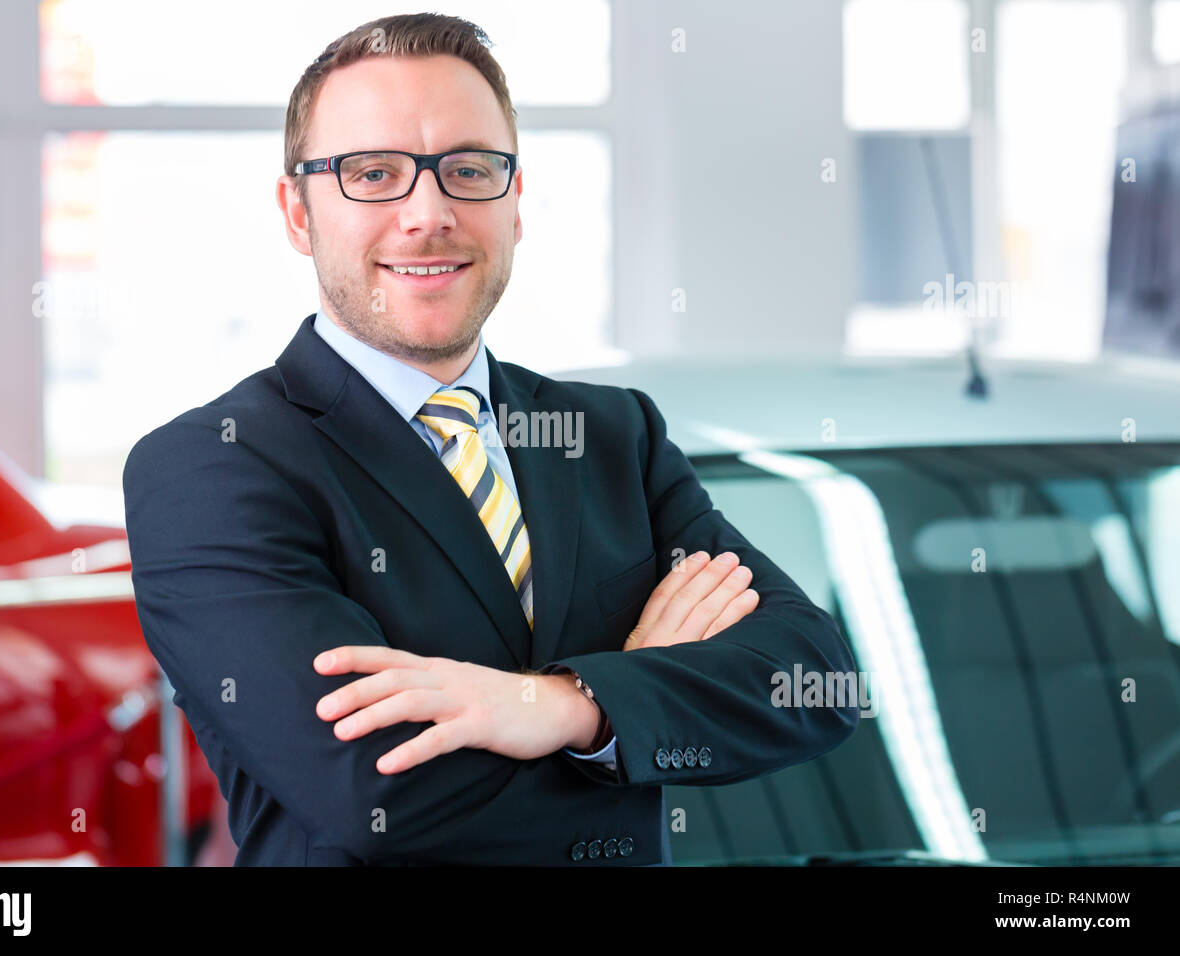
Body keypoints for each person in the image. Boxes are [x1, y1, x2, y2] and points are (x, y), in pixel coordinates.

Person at [122, 12, 859, 866]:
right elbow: (376, 795)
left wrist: (566, 705)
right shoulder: (211, 466)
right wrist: (636, 701)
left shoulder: (613, 436)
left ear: (514, 201)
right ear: (298, 212)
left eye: (468, 170)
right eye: (373, 174)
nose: (427, 214)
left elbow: (813, 682)